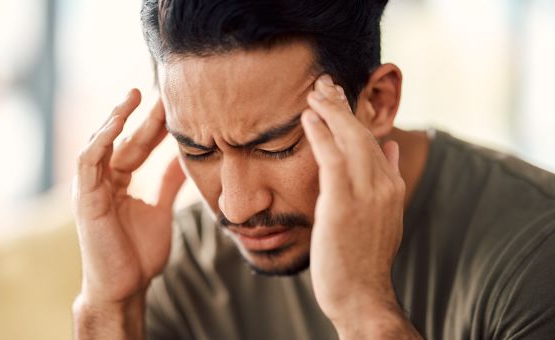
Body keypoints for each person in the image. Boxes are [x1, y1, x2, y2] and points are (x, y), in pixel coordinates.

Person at [71, 0, 555, 339]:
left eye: (277, 146)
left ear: (377, 101)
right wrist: (111, 305)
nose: (236, 207)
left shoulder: (536, 251)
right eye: (199, 150)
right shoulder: (183, 268)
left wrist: (367, 313)